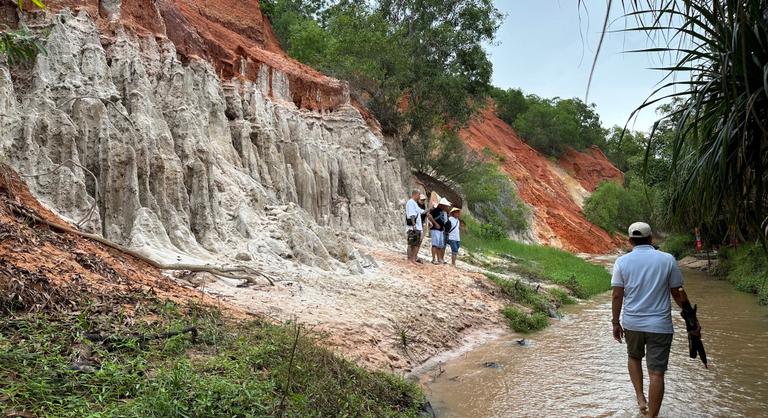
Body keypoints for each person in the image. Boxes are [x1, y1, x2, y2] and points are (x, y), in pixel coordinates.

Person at [611, 222, 701, 418]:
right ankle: (652, 416)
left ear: (630, 241)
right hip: (660, 326)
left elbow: (617, 295)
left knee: (634, 358)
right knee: (657, 374)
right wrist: (691, 320)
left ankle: (640, 397)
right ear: (651, 239)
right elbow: (678, 293)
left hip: (632, 323)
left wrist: (615, 322)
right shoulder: (667, 260)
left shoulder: (622, 262)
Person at [427, 197, 451, 264]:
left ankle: (439, 259)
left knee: (440, 245)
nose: (446, 207)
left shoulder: (443, 212)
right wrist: (435, 223)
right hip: (435, 229)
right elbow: (429, 216)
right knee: (435, 244)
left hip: (440, 230)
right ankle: (434, 259)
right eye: (445, 206)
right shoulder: (435, 210)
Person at [405, 189, 425, 264]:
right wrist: (414, 225)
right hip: (414, 226)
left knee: (415, 243)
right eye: (419, 195)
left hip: (417, 227)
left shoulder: (414, 203)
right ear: (415, 194)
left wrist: (431, 208)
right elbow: (412, 215)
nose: (419, 197)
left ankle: (412, 259)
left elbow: (422, 212)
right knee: (412, 243)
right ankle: (411, 259)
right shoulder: (411, 203)